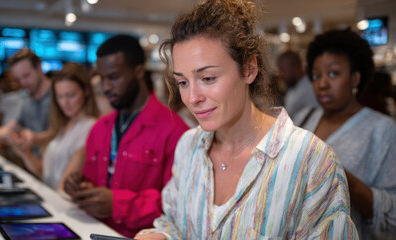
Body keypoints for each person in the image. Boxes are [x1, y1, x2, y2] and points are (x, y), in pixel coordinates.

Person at [135, 0, 358, 239]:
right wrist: (161, 236)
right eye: (182, 82)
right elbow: (173, 221)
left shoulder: (310, 160)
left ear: (249, 69)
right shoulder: (188, 146)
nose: (192, 98)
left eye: (208, 78)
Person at [63, 35, 189, 238]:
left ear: (138, 72)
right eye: (101, 78)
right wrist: (80, 186)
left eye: (113, 77)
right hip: (90, 231)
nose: (106, 87)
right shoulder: (100, 128)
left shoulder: (175, 131)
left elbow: (177, 206)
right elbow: (94, 180)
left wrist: (117, 205)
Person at [295, 28, 396, 239]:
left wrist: (334, 171)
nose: (322, 84)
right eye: (316, 76)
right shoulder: (303, 118)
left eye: (333, 73)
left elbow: (391, 213)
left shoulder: (381, 129)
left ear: (355, 78)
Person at [11, 63, 99, 190]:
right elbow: (44, 172)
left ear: (86, 91)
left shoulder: (91, 127)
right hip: (52, 199)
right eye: (60, 96)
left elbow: (65, 186)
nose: (64, 103)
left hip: (63, 204)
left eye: (70, 95)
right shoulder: (63, 125)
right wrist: (25, 153)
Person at [0, 49, 51, 154]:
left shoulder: (60, 95)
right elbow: (8, 130)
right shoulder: (29, 101)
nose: (23, 83)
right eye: (18, 79)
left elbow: (68, 130)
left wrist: (39, 138)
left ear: (39, 67)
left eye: (26, 76)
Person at [277, 50, 319, 118]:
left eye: (283, 71)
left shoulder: (309, 89)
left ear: (295, 67)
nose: (281, 75)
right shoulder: (294, 88)